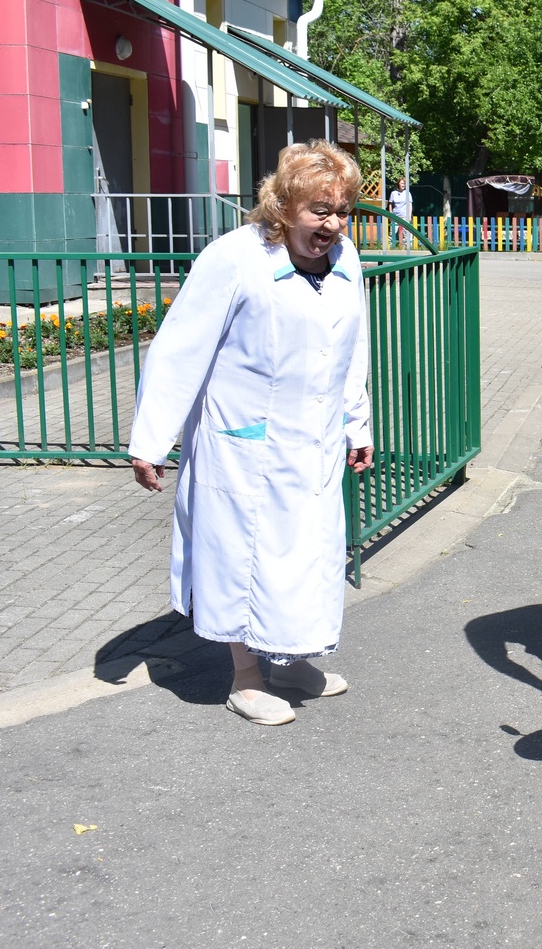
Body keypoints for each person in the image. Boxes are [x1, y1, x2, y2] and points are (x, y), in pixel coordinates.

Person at [129, 140, 374, 727]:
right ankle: (244, 677)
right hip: (243, 442)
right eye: (320, 210)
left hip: (312, 437)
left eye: (343, 210)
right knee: (245, 559)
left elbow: (352, 350)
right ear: (284, 206)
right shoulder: (234, 258)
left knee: (304, 554)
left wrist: (356, 421)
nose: (334, 224)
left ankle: (289, 664)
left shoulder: (346, 259)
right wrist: (150, 438)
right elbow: (180, 347)